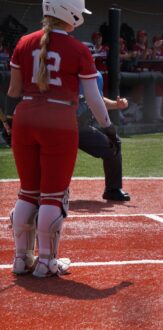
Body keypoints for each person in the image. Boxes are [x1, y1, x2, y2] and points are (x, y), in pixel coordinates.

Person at [6, 0, 119, 277]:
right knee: (53, 195)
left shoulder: (24, 42)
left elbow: (13, 90)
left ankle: (21, 258)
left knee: (28, 191)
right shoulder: (78, 49)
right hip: (59, 122)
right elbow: (93, 98)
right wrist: (109, 128)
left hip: (25, 118)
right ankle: (46, 262)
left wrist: (10, 122)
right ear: (70, 13)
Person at [77, 71, 131, 201]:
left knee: (113, 145)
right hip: (60, 126)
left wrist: (115, 104)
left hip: (80, 128)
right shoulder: (68, 70)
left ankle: (112, 189)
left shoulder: (96, 75)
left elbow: (97, 99)